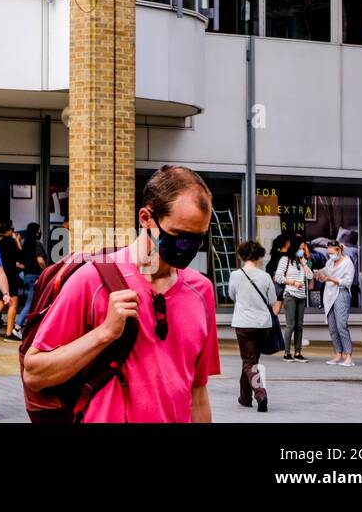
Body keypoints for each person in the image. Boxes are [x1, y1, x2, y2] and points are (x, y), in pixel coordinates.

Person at [22, 165, 220, 423]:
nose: (189, 247)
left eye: (199, 238)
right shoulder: (92, 280)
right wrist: (104, 333)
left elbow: (198, 393)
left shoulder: (201, 291)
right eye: (180, 237)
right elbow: (34, 374)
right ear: (146, 218)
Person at [228, 240, 279, 413]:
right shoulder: (265, 276)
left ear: (242, 256)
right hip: (263, 324)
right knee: (251, 362)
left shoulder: (235, 275)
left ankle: (260, 394)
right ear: (259, 256)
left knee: (249, 363)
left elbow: (231, 296)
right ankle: (244, 398)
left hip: (243, 324)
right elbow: (272, 301)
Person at [316, 239, 355, 366]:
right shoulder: (330, 262)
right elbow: (325, 272)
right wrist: (319, 274)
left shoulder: (348, 263)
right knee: (332, 327)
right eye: (328, 253)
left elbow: (348, 282)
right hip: (329, 295)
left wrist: (330, 279)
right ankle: (338, 354)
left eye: (332, 253)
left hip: (341, 294)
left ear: (339, 250)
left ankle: (348, 356)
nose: (330, 255)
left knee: (341, 326)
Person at [273, 236, 312, 362]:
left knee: (299, 326)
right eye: (301, 247)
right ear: (295, 247)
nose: (303, 249)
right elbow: (278, 277)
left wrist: (304, 264)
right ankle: (287, 352)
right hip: (290, 294)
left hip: (301, 296)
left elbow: (310, 276)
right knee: (290, 325)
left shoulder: (302, 260)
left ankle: (298, 352)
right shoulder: (285, 259)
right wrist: (293, 282)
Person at [11, 223, 49, 339]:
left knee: (34, 303)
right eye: (39, 230)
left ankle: (31, 327)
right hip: (35, 277)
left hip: (28, 276)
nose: (40, 232)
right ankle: (17, 327)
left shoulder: (28, 245)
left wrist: (17, 241)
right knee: (31, 303)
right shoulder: (37, 245)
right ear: (36, 232)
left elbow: (21, 261)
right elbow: (40, 260)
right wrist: (47, 270)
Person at [0, 223, 23, 340]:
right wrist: (17, 241)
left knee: (0, 305)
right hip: (10, 276)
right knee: (13, 303)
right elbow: (21, 255)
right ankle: (9, 333)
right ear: (9, 230)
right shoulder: (11, 242)